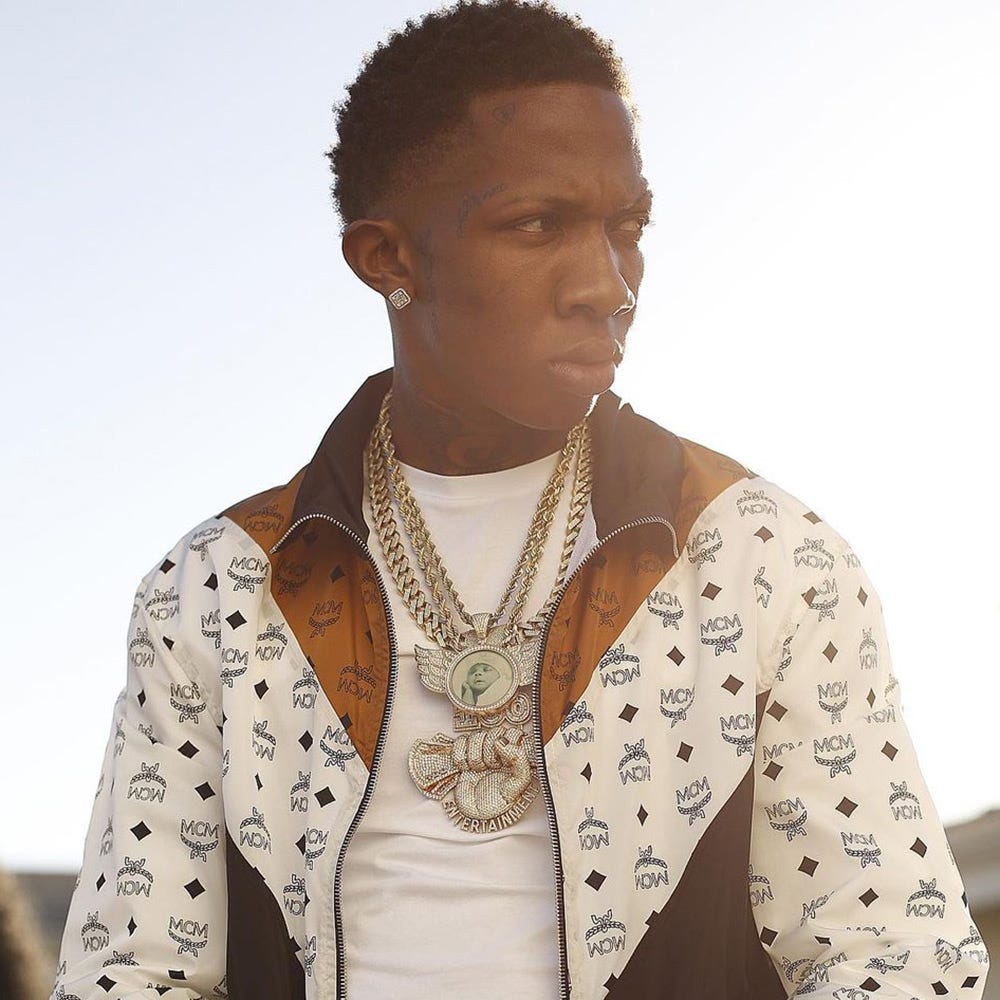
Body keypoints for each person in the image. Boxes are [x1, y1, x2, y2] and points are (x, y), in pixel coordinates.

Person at [53, 2, 989, 998]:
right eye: (537, 224)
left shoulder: (759, 553)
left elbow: (894, 955)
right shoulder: (220, 586)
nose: (608, 284)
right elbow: (132, 970)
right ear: (387, 259)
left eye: (626, 228)